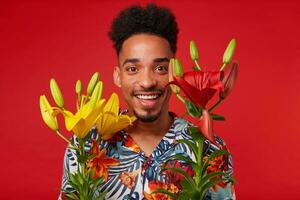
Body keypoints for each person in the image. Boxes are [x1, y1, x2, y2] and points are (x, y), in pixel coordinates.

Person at [60, 3, 235, 200]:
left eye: (160, 68)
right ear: (118, 77)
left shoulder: (209, 147)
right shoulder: (86, 144)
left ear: (174, 73)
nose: (147, 82)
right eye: (133, 69)